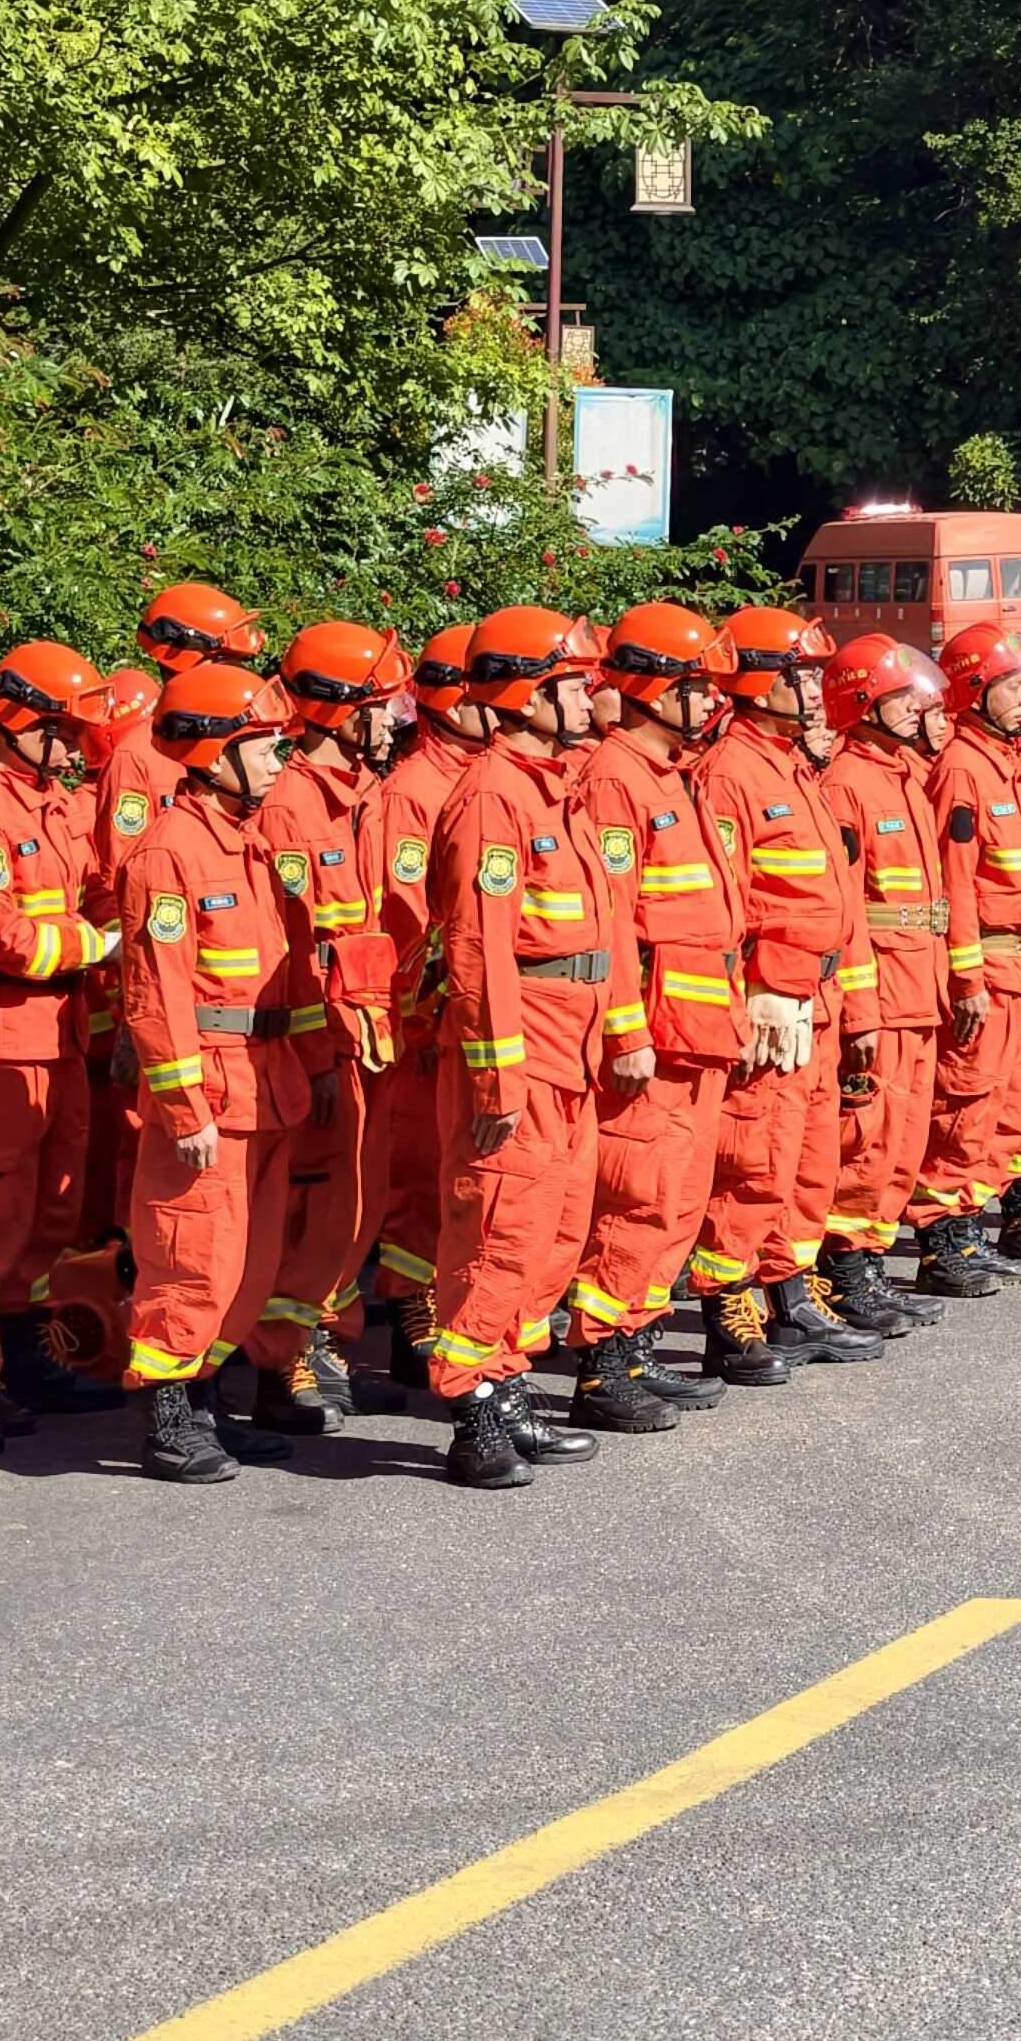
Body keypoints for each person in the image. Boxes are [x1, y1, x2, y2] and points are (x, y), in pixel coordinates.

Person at [419, 606, 639, 1488]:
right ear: (527, 695)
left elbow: (608, 927)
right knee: (498, 1228)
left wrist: (622, 1029)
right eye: (573, 686)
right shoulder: (492, 796)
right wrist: (494, 1075)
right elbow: (477, 947)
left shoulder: (554, 788)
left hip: (571, 1045)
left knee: (549, 1230)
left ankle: (506, 1382)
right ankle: (470, 1407)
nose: (590, 699)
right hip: (527, 1047)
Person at [111, 660, 330, 1481]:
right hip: (211, 1092)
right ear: (213, 753)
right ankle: (170, 1414)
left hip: (266, 1086)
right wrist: (183, 1106)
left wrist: (313, 1070)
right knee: (190, 1256)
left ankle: (205, 1395)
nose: (280, 760)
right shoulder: (168, 854)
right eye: (264, 745)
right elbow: (155, 995)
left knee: (248, 1263)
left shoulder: (247, 844)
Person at [565, 601, 751, 1420]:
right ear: (652, 689)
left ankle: (637, 1346)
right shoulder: (613, 778)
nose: (712, 701)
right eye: (696, 686)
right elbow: (609, 917)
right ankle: (604, 1368)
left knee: (676, 1191)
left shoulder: (667, 772)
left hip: (698, 1024)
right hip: (656, 1030)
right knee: (636, 1190)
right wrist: (625, 1027)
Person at [696, 607, 892, 1361]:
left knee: (808, 1161)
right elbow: (722, 904)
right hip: (773, 1005)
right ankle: (728, 1312)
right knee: (753, 1161)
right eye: (799, 674)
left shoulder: (790, 766)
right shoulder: (730, 773)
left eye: (813, 674)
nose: (814, 688)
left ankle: (791, 1293)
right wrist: (750, 998)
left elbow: (839, 904)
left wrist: (856, 1006)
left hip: (822, 999)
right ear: (755, 681)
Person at [0, 643, 120, 1426]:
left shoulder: (53, 801)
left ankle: (22, 1338)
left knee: (52, 1206)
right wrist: (89, 944)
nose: (75, 748)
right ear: (17, 722)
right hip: (6, 1030)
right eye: (61, 731)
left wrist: (121, 918)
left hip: (62, 1029)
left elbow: (96, 891)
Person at [242, 620, 403, 1433]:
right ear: (339, 711)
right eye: (380, 702)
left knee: (350, 1204)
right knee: (306, 1210)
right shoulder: (292, 804)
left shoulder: (358, 793)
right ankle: (283, 1353)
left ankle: (321, 1336)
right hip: (318, 1046)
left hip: (359, 1038)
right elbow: (291, 951)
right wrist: (313, 1060)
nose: (396, 716)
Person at [812, 631, 958, 1313]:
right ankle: (847, 1272)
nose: (915, 709)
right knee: (866, 1140)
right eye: (902, 698)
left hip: (918, 986)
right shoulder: (847, 785)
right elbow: (849, 913)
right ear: (865, 702)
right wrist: (861, 1012)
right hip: (884, 991)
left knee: (902, 1136)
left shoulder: (900, 776)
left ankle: (871, 1262)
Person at [358, 624, 490, 1382]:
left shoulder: (478, 774)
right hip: (426, 1020)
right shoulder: (415, 789)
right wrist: (423, 1009)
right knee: (419, 1174)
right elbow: (406, 912)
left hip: (461, 1011)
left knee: (456, 1173)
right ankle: (411, 1304)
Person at [923, 622, 1021, 1273]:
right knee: (965, 1105)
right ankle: (945, 1241)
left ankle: (976, 1224)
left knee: (1006, 1104)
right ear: (973, 690)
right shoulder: (961, 768)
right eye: (1008, 686)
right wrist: (967, 978)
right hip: (992, 968)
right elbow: (955, 883)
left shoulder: (1006, 764)